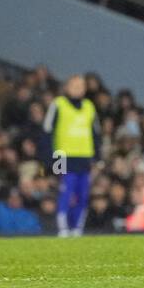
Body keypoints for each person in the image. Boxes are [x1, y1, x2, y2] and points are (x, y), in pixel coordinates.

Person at [43, 74, 100, 237]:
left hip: (84, 156)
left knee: (83, 193)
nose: (78, 89)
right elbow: (47, 131)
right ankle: (62, 228)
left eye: (81, 86)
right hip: (62, 155)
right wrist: (49, 158)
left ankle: (77, 228)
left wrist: (98, 158)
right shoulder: (58, 104)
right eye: (74, 85)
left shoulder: (89, 106)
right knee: (65, 191)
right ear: (67, 87)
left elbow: (96, 133)